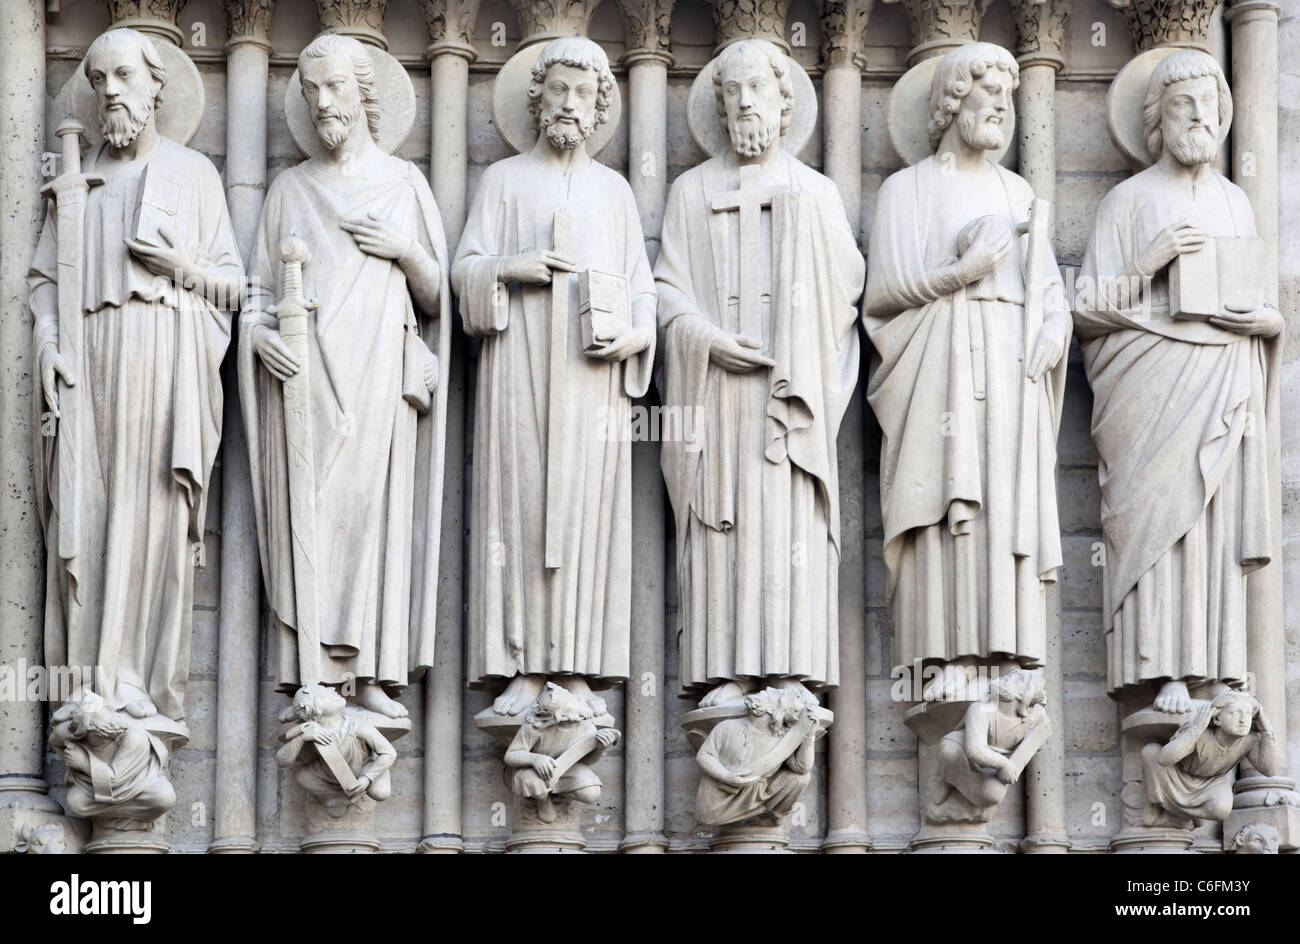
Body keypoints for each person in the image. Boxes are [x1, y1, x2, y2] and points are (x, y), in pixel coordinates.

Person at [29, 28, 242, 722]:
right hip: (88, 368)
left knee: (149, 514)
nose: (111, 92)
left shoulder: (194, 175)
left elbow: (239, 292)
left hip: (165, 366)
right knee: (84, 516)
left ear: (158, 86)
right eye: (97, 81)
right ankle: (87, 678)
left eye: (123, 76)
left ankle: (139, 686)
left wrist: (177, 271)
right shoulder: (77, 182)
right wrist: (50, 344)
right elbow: (41, 284)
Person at [240, 33, 450, 717]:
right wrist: (261, 335)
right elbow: (257, 293)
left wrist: (408, 250)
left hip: (377, 374)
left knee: (375, 516)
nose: (324, 103)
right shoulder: (289, 189)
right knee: (311, 509)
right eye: (311, 91)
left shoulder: (404, 185)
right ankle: (314, 675)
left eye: (335, 88)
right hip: (305, 381)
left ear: (366, 94)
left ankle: (371, 675)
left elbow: (437, 298)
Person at [655, 39, 864, 707]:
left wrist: (799, 355)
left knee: (786, 528)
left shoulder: (815, 193)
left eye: (758, 89)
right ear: (718, 107)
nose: (745, 101)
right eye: (732, 91)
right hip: (716, 396)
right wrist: (706, 340)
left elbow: (847, 294)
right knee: (724, 527)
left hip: (787, 402)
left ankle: (789, 673)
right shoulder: (691, 193)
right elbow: (665, 292)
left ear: (785, 102)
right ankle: (727, 673)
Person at [1075, 49, 1283, 713]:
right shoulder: (1127, 201)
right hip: (1150, 385)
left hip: (1223, 378)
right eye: (1182, 106)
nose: (1199, 118)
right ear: (1156, 121)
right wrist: (1150, 261)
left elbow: (1262, 301)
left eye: (1210, 106)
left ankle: (1219, 665)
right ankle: (1163, 666)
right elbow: (1084, 306)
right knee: (1162, 518)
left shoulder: (1235, 203)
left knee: (1212, 525)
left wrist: (1265, 323)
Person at [453, 37, 656, 716]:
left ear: (601, 108)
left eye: (583, 93)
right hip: (516, 373)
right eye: (559, 90)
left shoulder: (614, 191)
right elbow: (465, 271)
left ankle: (576, 666)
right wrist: (510, 267)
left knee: (587, 516)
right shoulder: (505, 181)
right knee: (517, 507)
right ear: (538, 100)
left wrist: (637, 334)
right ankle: (519, 663)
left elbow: (642, 289)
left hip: (592, 378)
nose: (570, 104)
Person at [863, 42, 1071, 700]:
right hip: (938, 365)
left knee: (1003, 510)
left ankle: (1009, 657)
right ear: (953, 101)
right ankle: (943, 657)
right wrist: (962, 274)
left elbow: (1051, 291)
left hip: (1010, 365)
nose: (1003, 111)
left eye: (1010, 100)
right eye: (990, 96)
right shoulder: (907, 190)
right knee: (947, 510)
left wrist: (1052, 331)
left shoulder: (1019, 192)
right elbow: (883, 299)